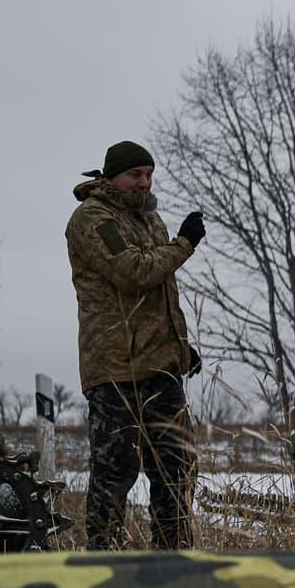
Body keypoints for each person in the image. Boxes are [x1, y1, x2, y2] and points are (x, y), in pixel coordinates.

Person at [65, 140, 205, 550]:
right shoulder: (92, 218)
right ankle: (104, 558)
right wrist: (184, 245)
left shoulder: (150, 220)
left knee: (176, 466)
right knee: (115, 470)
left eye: (149, 174)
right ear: (112, 178)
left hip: (160, 367)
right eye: (135, 176)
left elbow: (161, 292)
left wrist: (179, 347)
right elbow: (134, 272)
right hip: (115, 369)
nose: (144, 183)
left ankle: (172, 559)